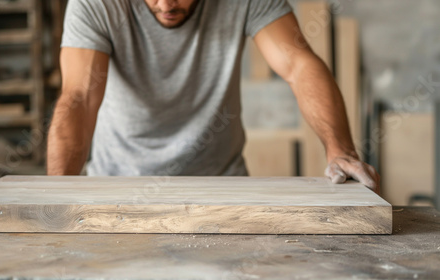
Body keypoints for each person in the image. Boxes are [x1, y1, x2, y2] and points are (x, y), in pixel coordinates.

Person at [47, 0, 380, 192]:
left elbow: (299, 64)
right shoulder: (95, 3)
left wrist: (341, 150)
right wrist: (59, 196)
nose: (165, 5)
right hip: (116, 186)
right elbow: (79, 97)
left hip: (222, 186)